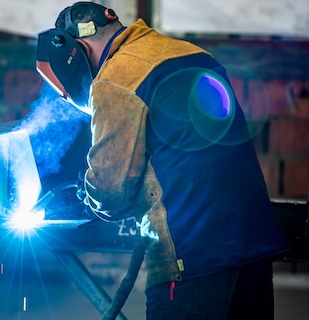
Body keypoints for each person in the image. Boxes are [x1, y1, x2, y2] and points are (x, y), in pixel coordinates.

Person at [36, 2, 289, 319]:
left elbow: (110, 192)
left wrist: (87, 196)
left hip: (191, 257)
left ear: (75, 49)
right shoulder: (188, 53)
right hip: (252, 245)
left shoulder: (116, 78)